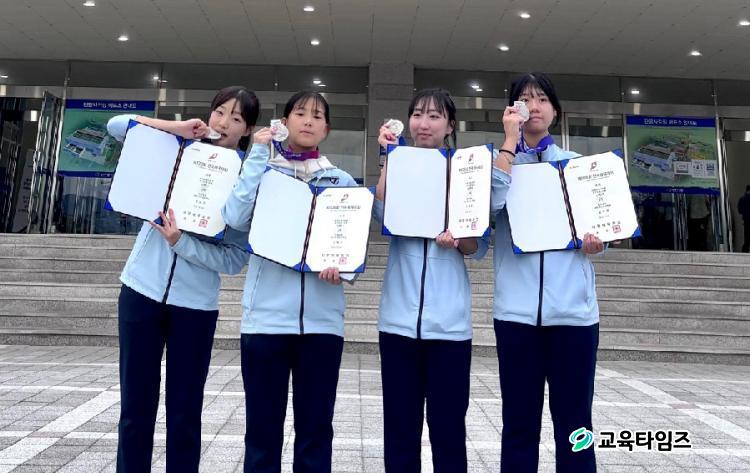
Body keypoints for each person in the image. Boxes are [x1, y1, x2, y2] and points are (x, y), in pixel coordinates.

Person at [108, 85, 259, 473]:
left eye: (236, 118)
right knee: (135, 407)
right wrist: (175, 128)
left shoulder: (246, 180)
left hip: (195, 307)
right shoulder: (176, 150)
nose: (223, 122)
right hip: (140, 291)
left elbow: (234, 260)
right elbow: (117, 125)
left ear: (247, 129)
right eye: (219, 112)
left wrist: (181, 243)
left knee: (185, 411)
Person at [221, 90, 358, 473]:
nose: (308, 120)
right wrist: (257, 154)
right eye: (300, 113)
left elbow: (350, 248)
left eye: (317, 115)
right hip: (265, 322)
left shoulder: (342, 181)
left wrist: (341, 268)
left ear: (326, 129)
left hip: (321, 325)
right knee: (262, 432)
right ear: (284, 122)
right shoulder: (264, 172)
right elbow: (234, 216)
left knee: (315, 431)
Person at [490, 72, 604, 473]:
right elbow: (483, 212)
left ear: (555, 111)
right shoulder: (499, 165)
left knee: (576, 425)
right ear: (511, 110)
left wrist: (598, 241)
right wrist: (508, 146)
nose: (533, 107)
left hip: (573, 316)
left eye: (541, 99)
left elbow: (601, 227)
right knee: (519, 424)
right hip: (516, 317)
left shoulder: (576, 166)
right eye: (524, 99)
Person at [373, 88, 488, 472]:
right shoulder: (400, 162)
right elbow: (382, 213)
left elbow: (477, 245)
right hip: (398, 323)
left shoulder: (466, 172)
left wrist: (458, 238)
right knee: (400, 428)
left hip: (449, 327)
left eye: (435, 116)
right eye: (418, 114)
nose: (424, 123)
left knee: (448, 428)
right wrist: (388, 157)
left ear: (450, 126)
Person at [738, 185, 750, 252]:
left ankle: (745, 252)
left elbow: (739, 210)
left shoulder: (742, 199)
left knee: (746, 238)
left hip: (746, 220)